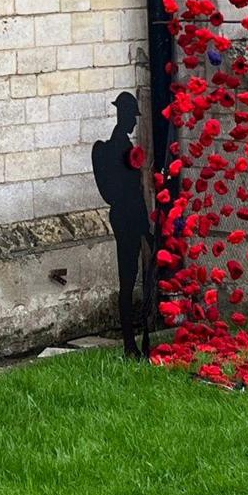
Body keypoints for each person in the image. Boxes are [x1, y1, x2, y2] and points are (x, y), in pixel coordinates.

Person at [91, 91, 151, 355]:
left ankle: (132, 341)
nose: (134, 123)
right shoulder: (119, 147)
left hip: (129, 216)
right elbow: (130, 193)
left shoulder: (122, 144)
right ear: (122, 115)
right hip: (127, 217)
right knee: (127, 280)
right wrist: (144, 228)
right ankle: (129, 343)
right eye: (131, 117)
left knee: (130, 278)